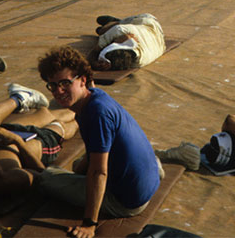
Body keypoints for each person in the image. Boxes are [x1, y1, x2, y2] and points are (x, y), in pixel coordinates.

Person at [35, 47, 162, 238]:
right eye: (52, 86)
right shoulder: (95, 96)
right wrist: (76, 177)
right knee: (79, 165)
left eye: (65, 83)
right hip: (149, 180)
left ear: (82, 80)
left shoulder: (97, 114)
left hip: (127, 202)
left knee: (46, 178)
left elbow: (99, 173)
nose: (58, 91)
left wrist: (89, 224)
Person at [89, 14, 166, 72]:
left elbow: (95, 51)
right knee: (105, 32)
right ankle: (117, 22)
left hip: (157, 37)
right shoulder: (120, 30)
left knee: (102, 31)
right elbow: (96, 51)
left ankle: (114, 23)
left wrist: (93, 63)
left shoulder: (138, 60)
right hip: (148, 21)